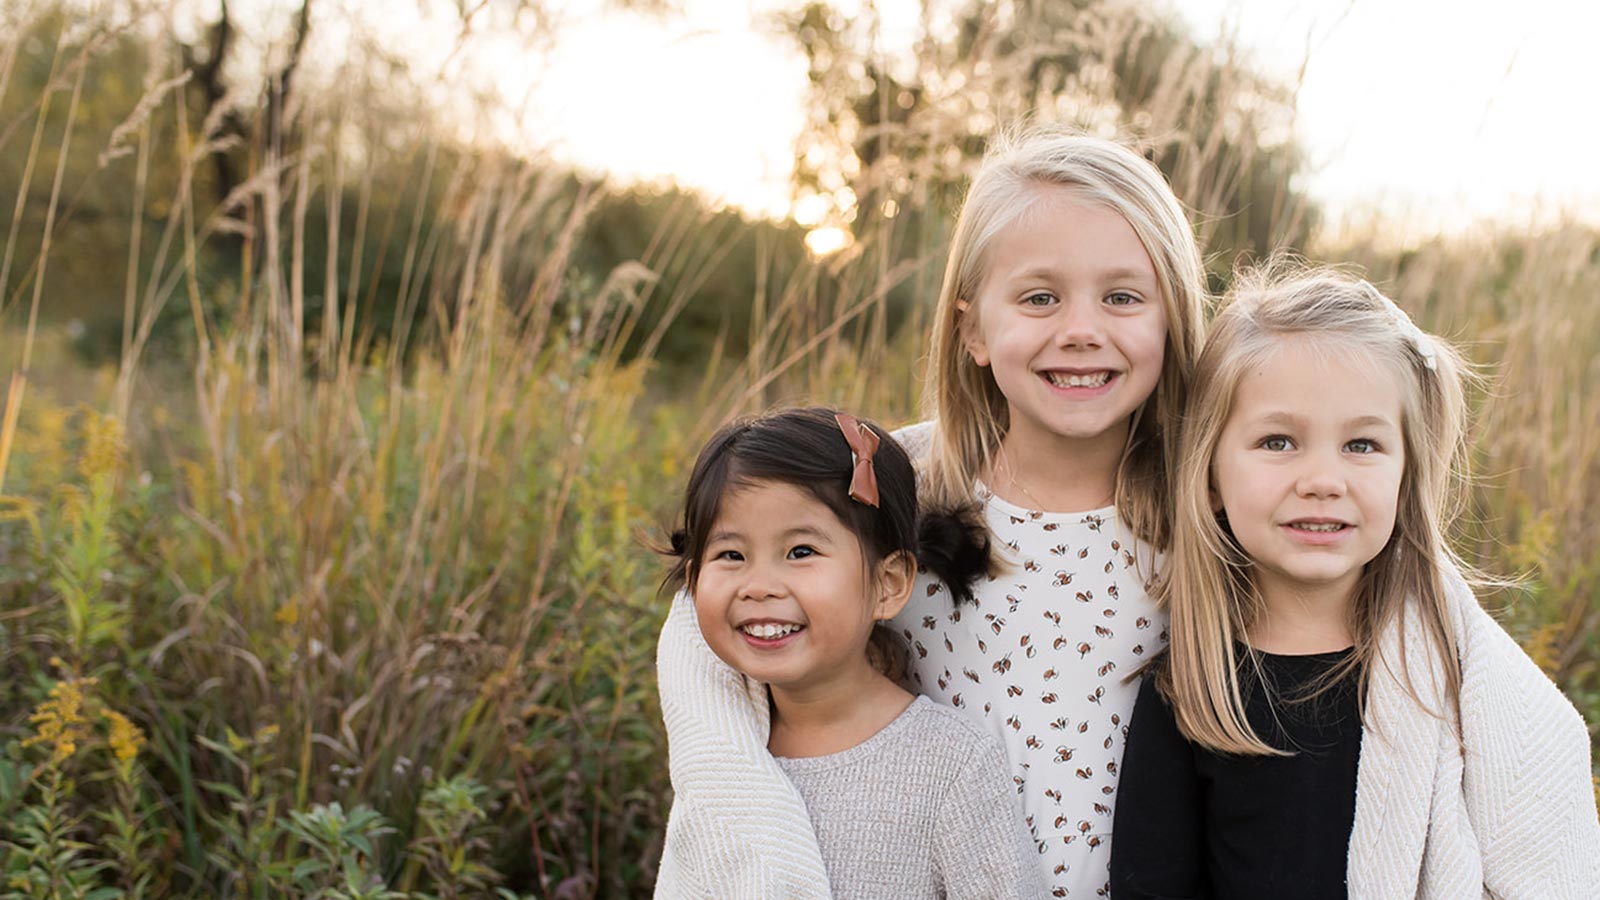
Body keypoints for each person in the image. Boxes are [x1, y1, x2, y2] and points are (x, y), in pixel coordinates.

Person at [1109, 265, 1600, 899]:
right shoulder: (1193, 690)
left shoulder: (1453, 679)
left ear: (1406, 473)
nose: (1322, 479)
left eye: (1362, 446)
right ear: (1209, 478)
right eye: (1279, 441)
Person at [890, 126, 1208, 897]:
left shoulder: (1211, 504)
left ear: (1171, 317)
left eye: (1124, 297)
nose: (1080, 330)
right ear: (971, 329)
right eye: (1039, 297)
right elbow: (722, 605)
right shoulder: (896, 487)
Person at [653, 407, 1044, 899]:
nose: (759, 587)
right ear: (693, 582)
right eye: (731, 555)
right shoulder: (722, 755)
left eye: (801, 552)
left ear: (888, 583)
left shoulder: (950, 765)